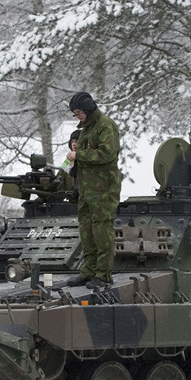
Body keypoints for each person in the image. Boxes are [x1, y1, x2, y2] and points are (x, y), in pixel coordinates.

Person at [64, 91, 121, 289]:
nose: (77, 116)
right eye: (75, 113)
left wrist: (79, 155)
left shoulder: (105, 126)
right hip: (87, 190)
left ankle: (103, 274)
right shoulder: (87, 128)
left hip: (103, 190)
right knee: (86, 232)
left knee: (101, 231)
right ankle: (88, 271)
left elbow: (106, 154)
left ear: (88, 108)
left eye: (79, 112)